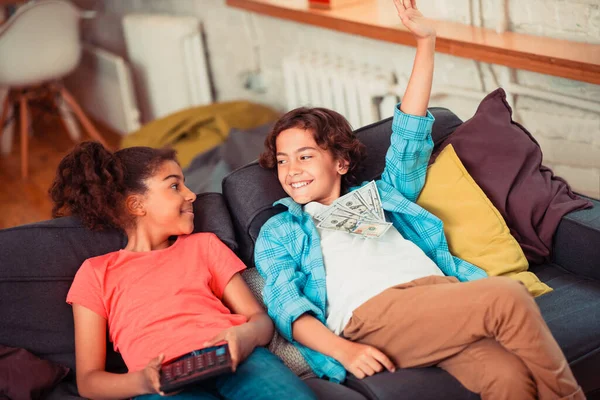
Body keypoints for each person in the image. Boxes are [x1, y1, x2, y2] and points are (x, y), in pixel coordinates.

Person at [254, 1, 584, 399]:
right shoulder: (283, 229)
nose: (291, 170)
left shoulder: (381, 196)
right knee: (508, 297)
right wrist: (344, 350)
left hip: (439, 295)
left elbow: (409, 135)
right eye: (283, 161)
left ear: (340, 161)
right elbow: (286, 305)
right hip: (372, 314)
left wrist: (426, 43)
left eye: (305, 156)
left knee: (508, 377)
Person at [51, 142, 316, 400]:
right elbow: (89, 382)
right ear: (136, 205)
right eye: (175, 185)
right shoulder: (96, 273)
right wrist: (142, 382)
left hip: (236, 359)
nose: (191, 195)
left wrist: (245, 336)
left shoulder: (205, 246)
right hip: (161, 384)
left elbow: (259, 320)